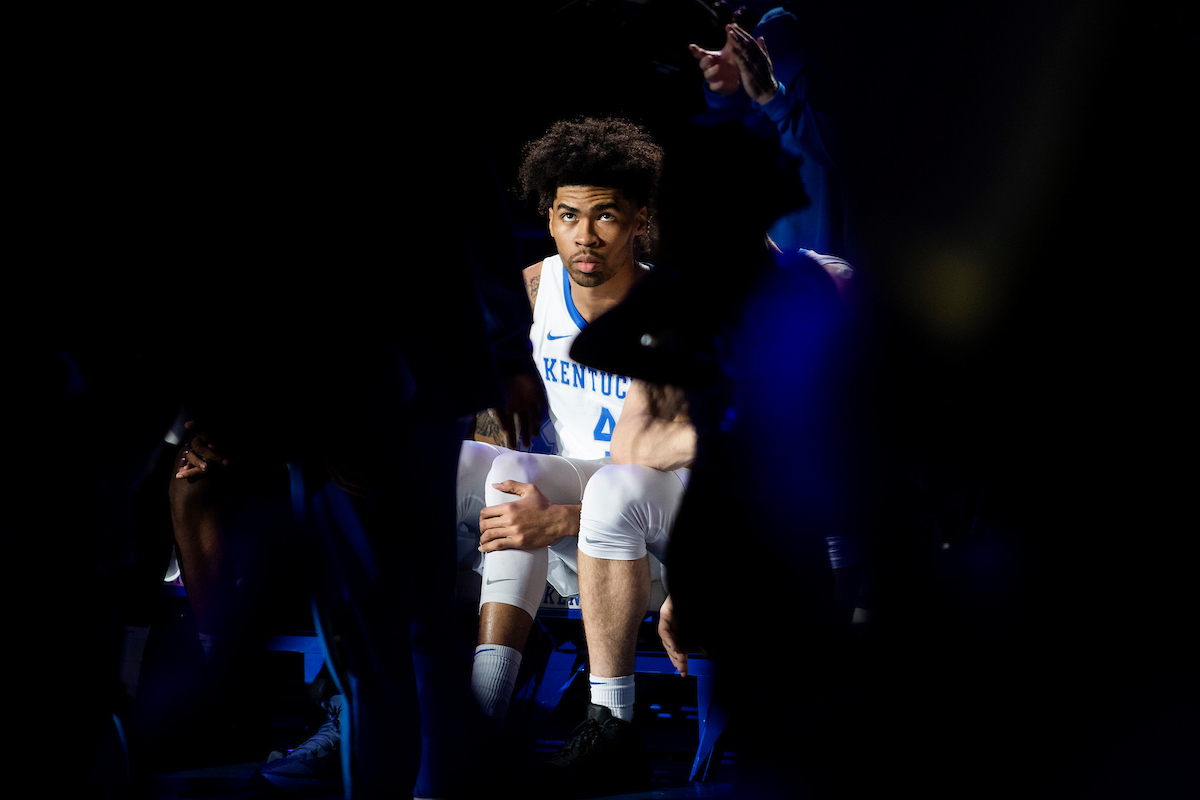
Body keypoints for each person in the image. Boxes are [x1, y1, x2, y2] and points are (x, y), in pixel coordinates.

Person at [689, 7, 848, 258]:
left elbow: (849, 154)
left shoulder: (801, 46)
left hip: (828, 270)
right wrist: (725, 96)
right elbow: (729, 157)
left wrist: (772, 97)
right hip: (764, 268)